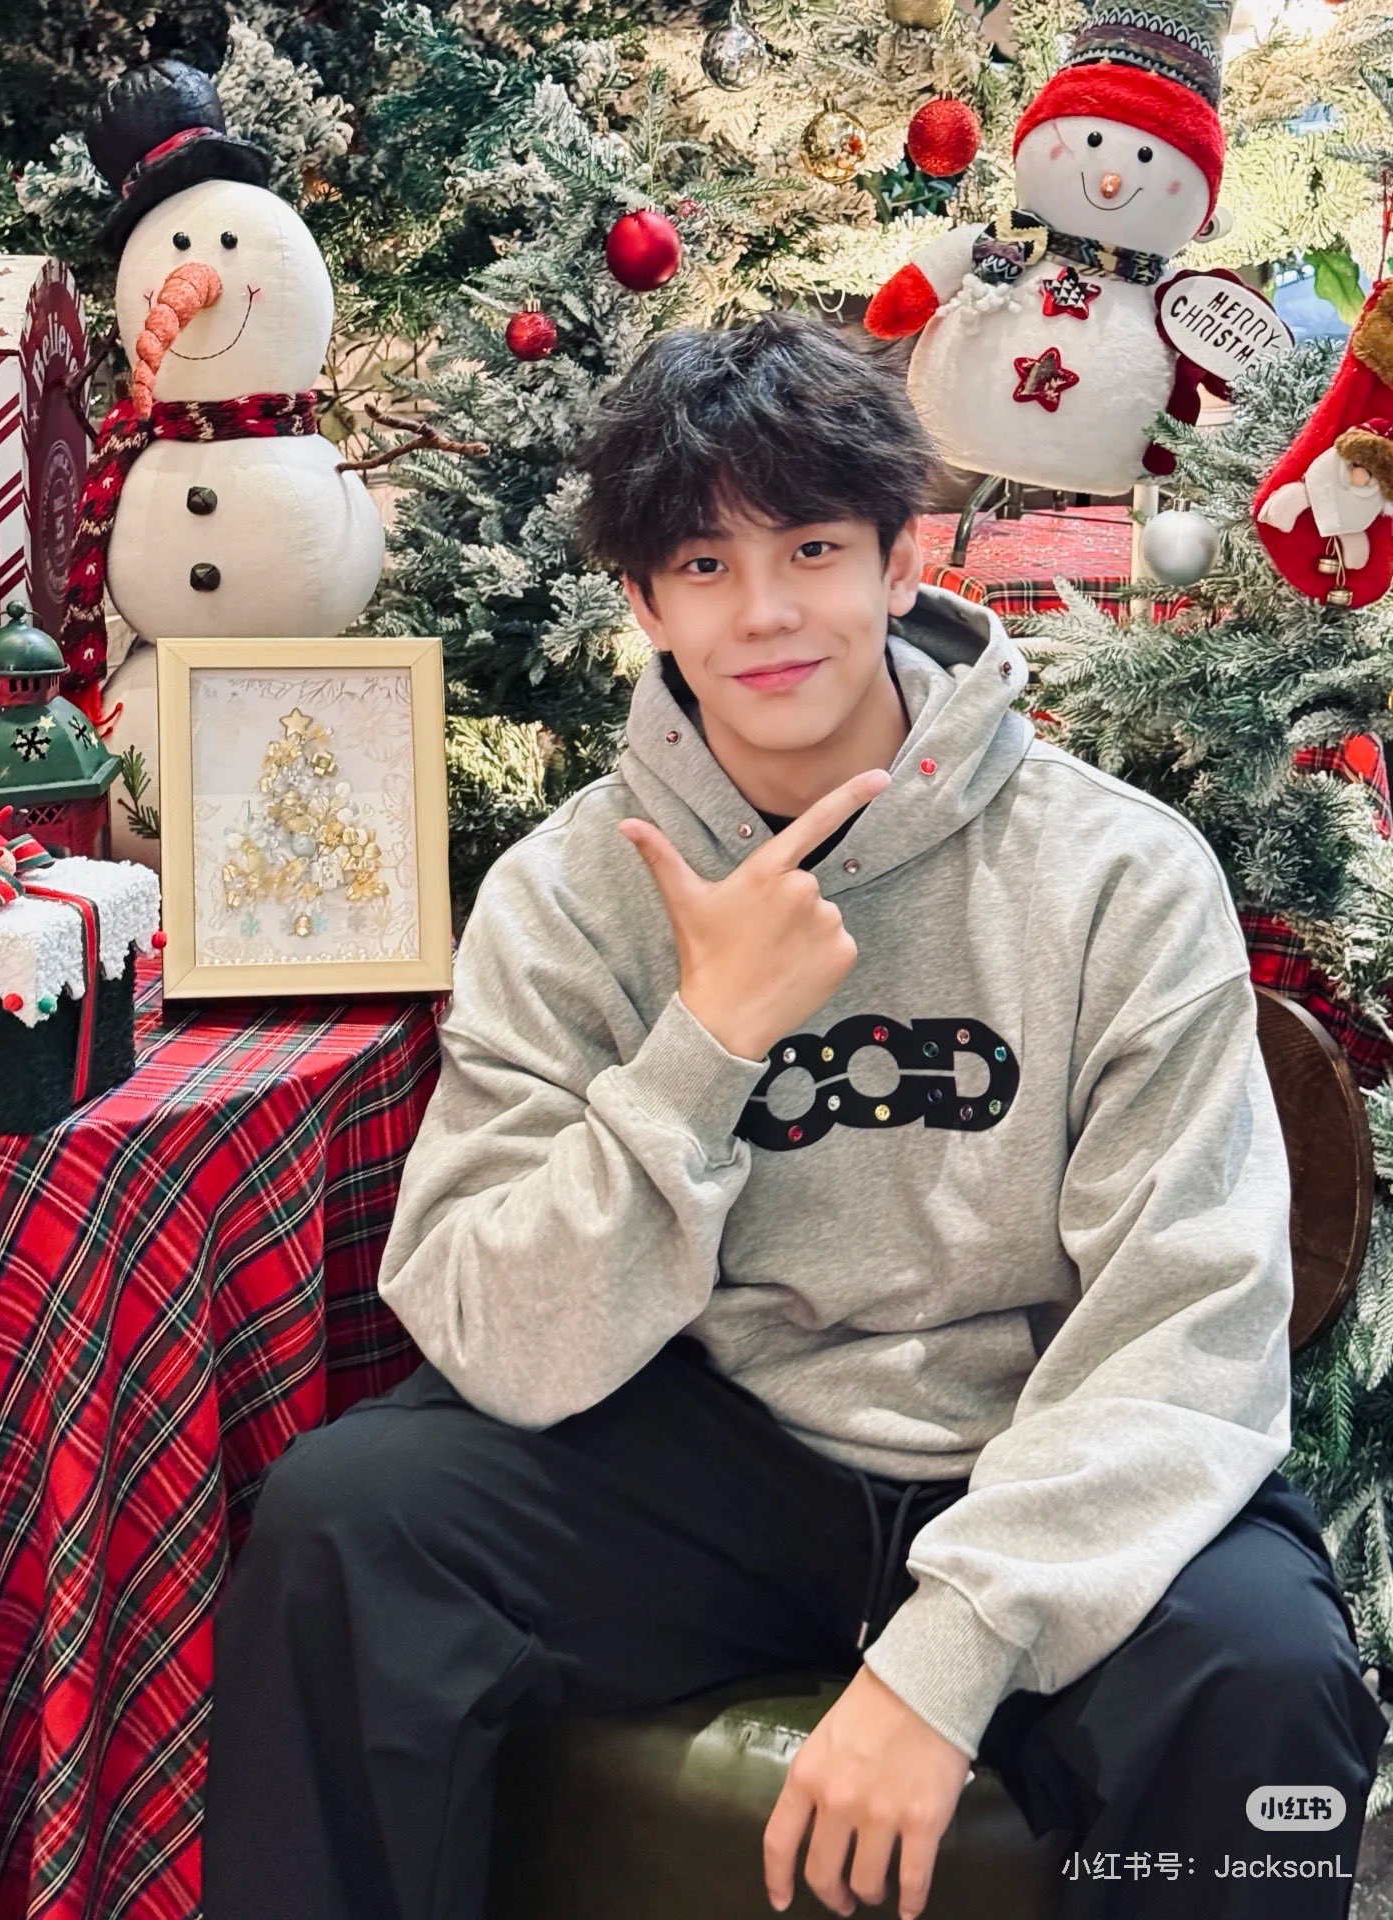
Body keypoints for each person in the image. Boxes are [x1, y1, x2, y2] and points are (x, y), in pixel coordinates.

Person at [200, 311, 1387, 1920]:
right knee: (350, 1529)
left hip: (1031, 1436)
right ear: (644, 603)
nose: (763, 613)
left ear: (900, 562)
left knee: (1265, 1681)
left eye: (813, 549)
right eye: (703, 565)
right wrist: (707, 1043)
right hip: (716, 1455)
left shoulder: (1117, 875)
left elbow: (1187, 1321)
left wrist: (947, 1655)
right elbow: (495, 1337)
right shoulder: (569, 895)